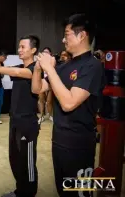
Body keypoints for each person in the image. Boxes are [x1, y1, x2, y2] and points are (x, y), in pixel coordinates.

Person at [31, 14, 104, 197]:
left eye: (67, 34)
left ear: (82, 36)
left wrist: (49, 69)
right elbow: (37, 88)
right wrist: (39, 69)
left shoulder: (92, 66)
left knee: (78, 193)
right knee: (63, 191)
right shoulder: (64, 67)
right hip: (59, 141)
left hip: (79, 144)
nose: (63, 39)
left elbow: (69, 103)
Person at [0, 35, 42, 197]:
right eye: (19, 47)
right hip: (15, 121)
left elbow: (16, 71)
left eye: (23, 47)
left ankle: (29, 193)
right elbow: (14, 70)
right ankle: (20, 190)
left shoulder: (35, 68)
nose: (19, 50)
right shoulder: (21, 66)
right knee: (15, 159)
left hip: (27, 123)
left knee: (27, 162)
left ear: (33, 50)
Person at [38, 47, 53, 123]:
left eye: (47, 52)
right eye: (44, 52)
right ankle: (41, 116)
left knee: (49, 101)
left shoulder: (53, 62)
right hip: (41, 83)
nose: (45, 53)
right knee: (41, 100)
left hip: (50, 84)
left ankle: (50, 115)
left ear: (50, 53)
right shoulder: (39, 62)